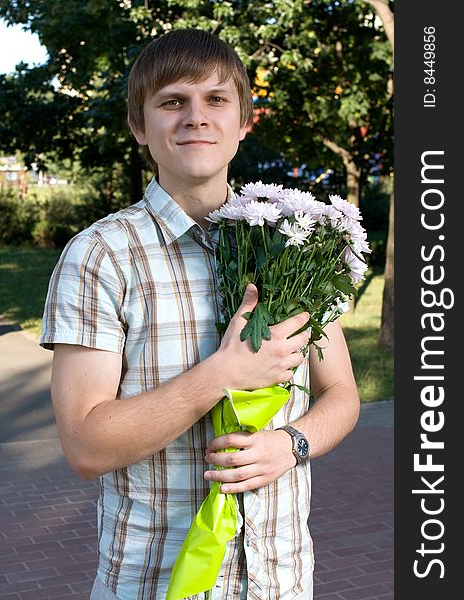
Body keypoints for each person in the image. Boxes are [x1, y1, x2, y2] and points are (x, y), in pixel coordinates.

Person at [40, 28, 360, 600]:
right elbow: (85, 447)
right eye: (172, 102)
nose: (196, 117)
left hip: (281, 581)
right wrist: (222, 376)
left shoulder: (296, 243)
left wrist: (292, 444)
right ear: (140, 127)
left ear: (244, 123)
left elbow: (341, 395)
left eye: (216, 100)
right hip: (154, 584)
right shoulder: (99, 255)